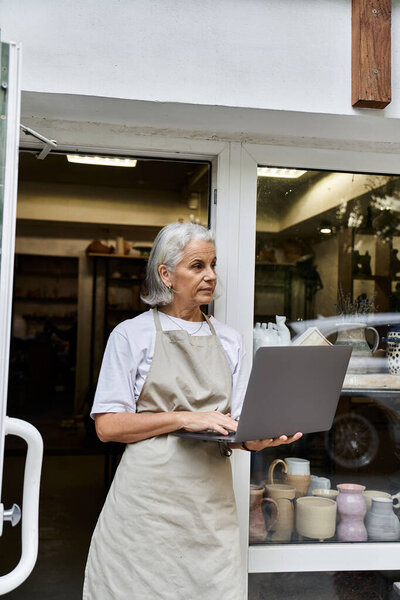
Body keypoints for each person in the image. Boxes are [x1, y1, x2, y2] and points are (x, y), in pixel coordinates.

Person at [83, 222, 301, 600]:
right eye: (197, 265)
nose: (211, 275)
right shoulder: (130, 336)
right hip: (146, 502)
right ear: (165, 274)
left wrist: (257, 439)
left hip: (208, 503)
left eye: (213, 265)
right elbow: (108, 426)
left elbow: (233, 427)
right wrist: (185, 417)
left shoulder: (231, 341)